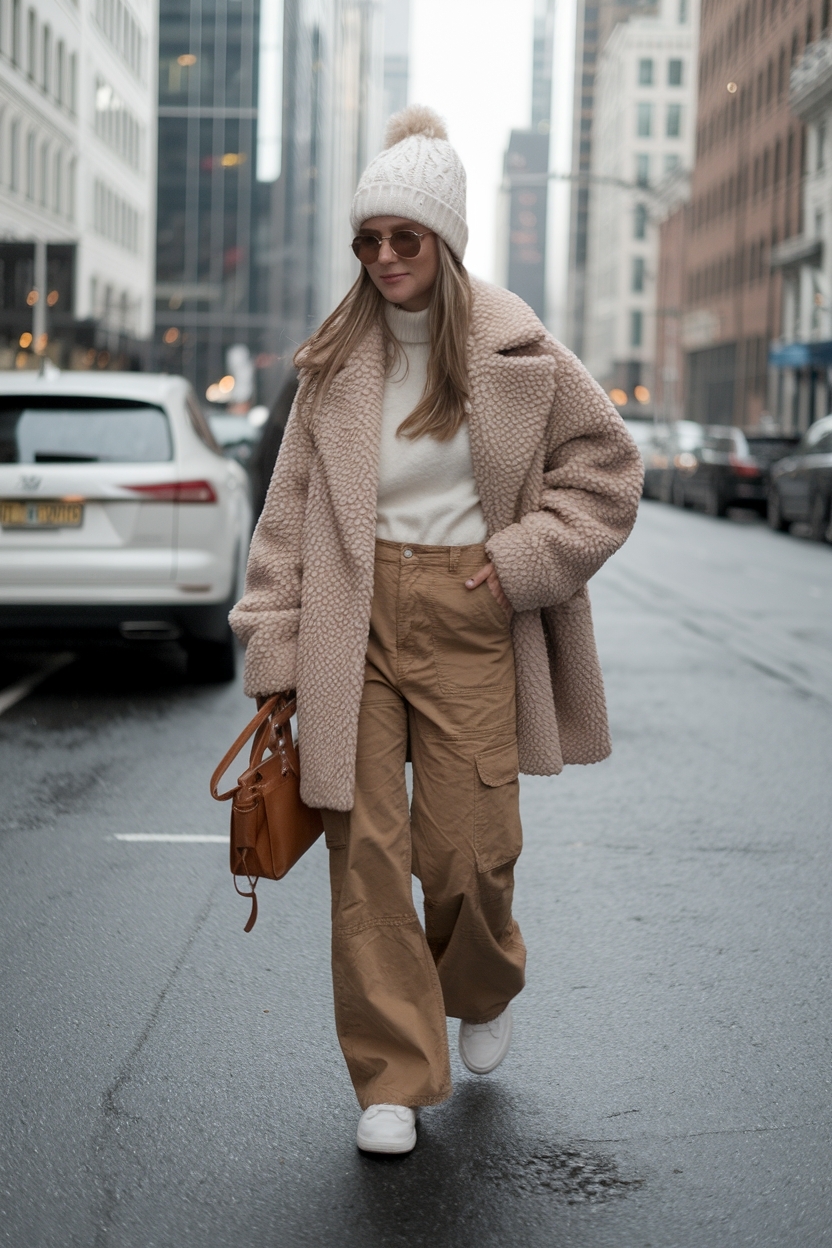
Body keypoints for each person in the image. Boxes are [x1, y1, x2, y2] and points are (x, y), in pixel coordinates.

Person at [230, 105, 643, 1156]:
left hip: (471, 611)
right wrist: (274, 642)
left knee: (469, 853)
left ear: (445, 239)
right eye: (367, 240)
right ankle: (391, 1078)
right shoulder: (332, 362)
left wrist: (512, 570)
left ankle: (481, 980)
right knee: (361, 850)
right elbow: (287, 514)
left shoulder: (521, 351)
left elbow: (607, 475)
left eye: (402, 238)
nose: (381, 258)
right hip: (350, 622)